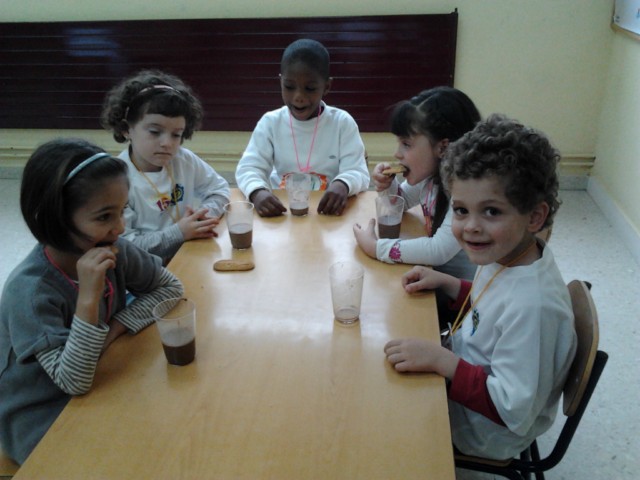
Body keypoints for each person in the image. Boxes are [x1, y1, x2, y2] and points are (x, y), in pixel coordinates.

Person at [383, 114, 577, 460]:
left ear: (535, 217)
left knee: (376, 409)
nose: (471, 227)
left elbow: (511, 409)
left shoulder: (533, 306)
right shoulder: (510, 254)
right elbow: (492, 309)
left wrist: (442, 362)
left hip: (482, 429)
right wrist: (450, 284)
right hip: (467, 377)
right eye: (460, 210)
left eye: (491, 211)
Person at [0, 138, 184, 464]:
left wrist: (113, 329)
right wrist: (88, 300)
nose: (120, 228)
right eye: (103, 217)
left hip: (102, 374)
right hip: (41, 416)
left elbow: (169, 289)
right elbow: (72, 381)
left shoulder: (113, 247)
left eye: (122, 210)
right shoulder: (30, 292)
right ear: (55, 218)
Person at [101, 69, 230, 265]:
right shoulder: (116, 180)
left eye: (176, 134)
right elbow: (124, 247)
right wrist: (179, 233)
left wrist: (201, 218)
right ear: (127, 129)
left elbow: (219, 189)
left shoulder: (184, 160)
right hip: (145, 273)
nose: (167, 143)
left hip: (188, 256)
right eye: (155, 132)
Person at [353, 86, 480, 282]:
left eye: (406, 144)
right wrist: (388, 186)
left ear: (443, 148)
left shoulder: (465, 191)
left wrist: (376, 248)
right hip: (434, 277)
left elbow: (438, 250)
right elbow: (400, 203)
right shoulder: (430, 177)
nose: (397, 154)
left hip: (463, 292)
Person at [235, 38, 370, 217]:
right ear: (280, 82)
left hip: (328, 213)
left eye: (310, 88)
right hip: (282, 213)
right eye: (289, 87)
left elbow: (358, 171)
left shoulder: (342, 123)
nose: (298, 96)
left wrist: (343, 184)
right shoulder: (270, 123)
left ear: (327, 87)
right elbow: (249, 168)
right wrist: (257, 191)